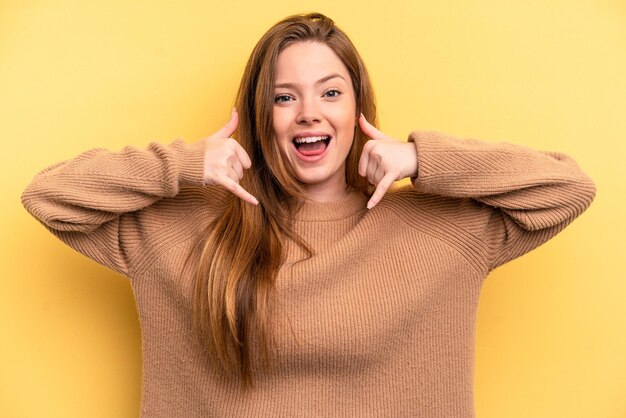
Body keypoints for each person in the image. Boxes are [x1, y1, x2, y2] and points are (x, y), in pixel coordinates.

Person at [21, 12, 596, 418]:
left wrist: (423, 158)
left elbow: (567, 187)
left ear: (357, 107)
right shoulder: (189, 226)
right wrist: (184, 163)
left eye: (329, 93)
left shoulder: (440, 229)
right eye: (284, 96)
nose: (307, 114)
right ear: (260, 113)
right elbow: (48, 197)